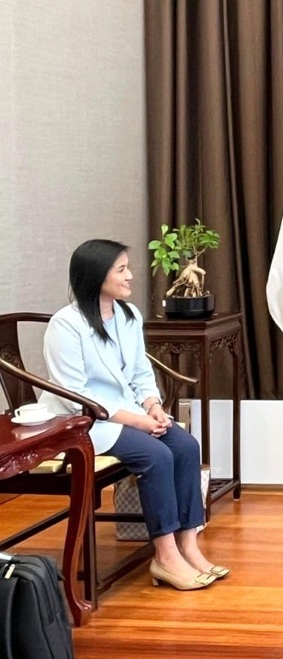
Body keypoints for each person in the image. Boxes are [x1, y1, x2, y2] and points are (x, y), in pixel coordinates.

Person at [40, 240, 226, 590]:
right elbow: (77, 394)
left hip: (130, 413)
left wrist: (154, 407)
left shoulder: (128, 315)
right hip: (85, 422)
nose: (131, 276)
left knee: (185, 446)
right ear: (97, 276)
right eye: (122, 269)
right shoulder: (66, 325)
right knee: (156, 455)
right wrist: (138, 421)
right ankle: (165, 557)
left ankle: (189, 545)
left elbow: (141, 373)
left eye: (128, 267)